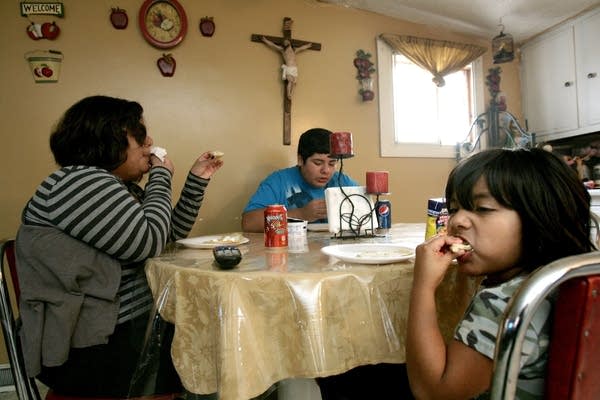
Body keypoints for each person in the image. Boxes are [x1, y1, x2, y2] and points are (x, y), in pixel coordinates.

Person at [317, 147, 593, 399]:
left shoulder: (505, 302)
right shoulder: (563, 275)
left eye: (482, 209)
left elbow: (434, 393)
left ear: (542, 217)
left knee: (336, 376)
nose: (457, 221)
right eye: (455, 209)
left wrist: (423, 285)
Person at [15, 95, 223, 397]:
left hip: (124, 331)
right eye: (139, 134)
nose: (149, 141)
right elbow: (146, 244)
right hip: (87, 346)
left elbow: (164, 236)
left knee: (214, 341)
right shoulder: (78, 182)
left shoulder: (116, 186)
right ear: (106, 138)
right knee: (216, 355)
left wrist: (194, 182)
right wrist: (161, 176)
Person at [241, 128, 358, 233]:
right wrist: (301, 214)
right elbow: (249, 222)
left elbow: (368, 215)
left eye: (332, 163)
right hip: (291, 252)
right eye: (318, 163)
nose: (326, 170)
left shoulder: (342, 182)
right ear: (300, 160)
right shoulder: (280, 181)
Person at [261, 35, 313, 100]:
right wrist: (265, 40)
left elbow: (302, 48)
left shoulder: (294, 50)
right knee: (290, 81)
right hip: (289, 67)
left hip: (294, 68)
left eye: (286, 41)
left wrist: (308, 46)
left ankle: (291, 94)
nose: (285, 43)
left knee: (294, 83)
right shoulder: (282, 50)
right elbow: (273, 45)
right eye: (284, 42)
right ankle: (288, 94)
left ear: (289, 42)